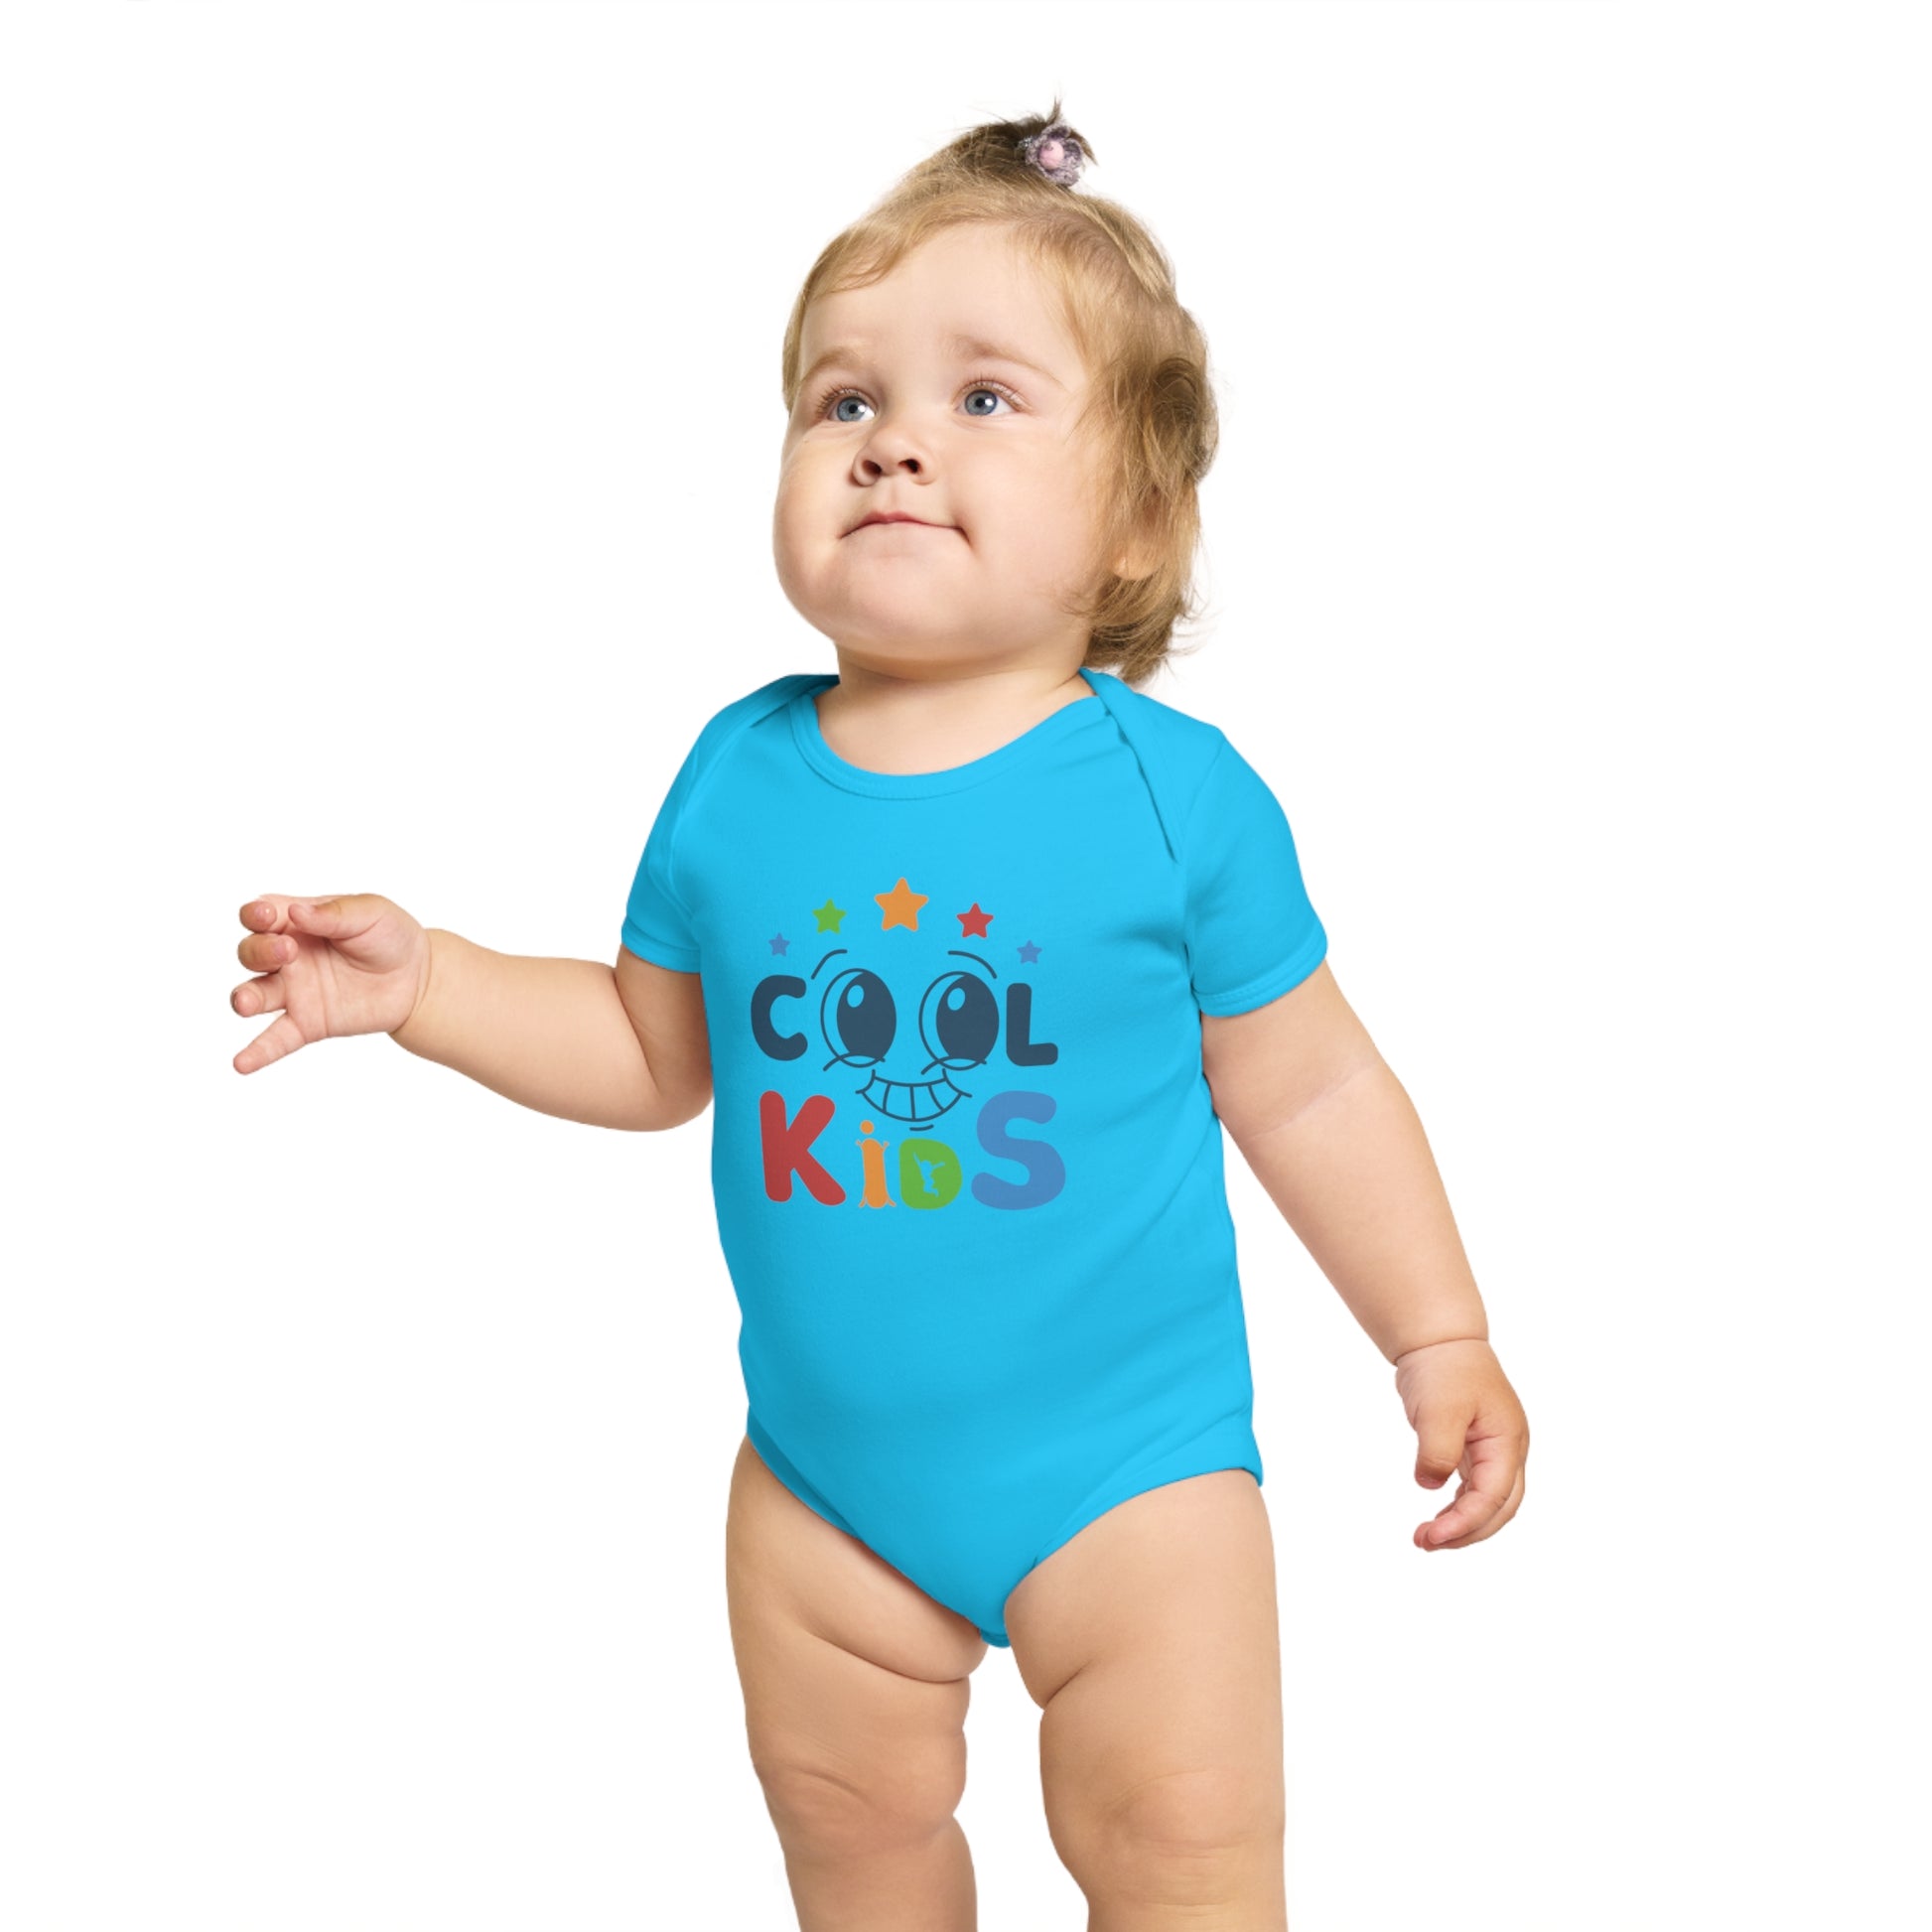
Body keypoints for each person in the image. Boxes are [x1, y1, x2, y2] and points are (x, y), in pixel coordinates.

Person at [231, 100, 1529, 1932]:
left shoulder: (1175, 796)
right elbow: (652, 1051)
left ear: (1137, 521)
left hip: (1132, 1480)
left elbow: (1309, 1089)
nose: (893, 439)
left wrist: (1435, 1331)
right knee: (851, 1843)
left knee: (1182, 1852)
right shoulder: (736, 777)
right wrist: (432, 981)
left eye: (983, 398)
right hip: (823, 1488)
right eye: (842, 400)